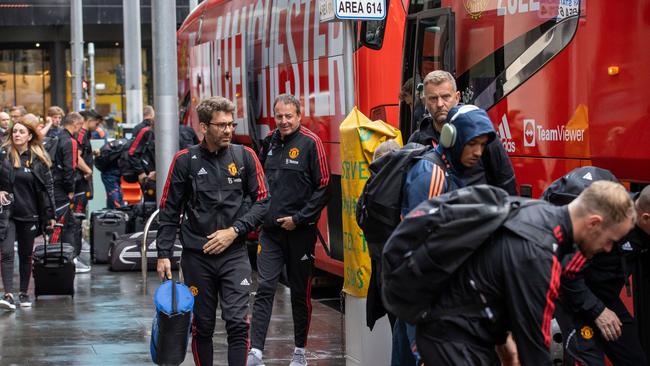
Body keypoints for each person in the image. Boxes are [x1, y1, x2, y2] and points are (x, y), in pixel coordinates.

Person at [413, 180, 635, 365]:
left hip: (449, 336)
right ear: (595, 223)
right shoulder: (541, 252)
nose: (608, 249)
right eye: (610, 241)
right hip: (456, 344)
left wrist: (503, 340)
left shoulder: (538, 215)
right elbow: (534, 346)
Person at [156, 96, 270, 366]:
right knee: (203, 326)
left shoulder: (245, 156)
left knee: (238, 324)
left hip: (234, 254)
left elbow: (263, 202)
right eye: (221, 125)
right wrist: (163, 253)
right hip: (197, 257)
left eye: (231, 124)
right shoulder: (185, 161)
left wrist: (234, 231)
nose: (229, 130)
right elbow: (169, 209)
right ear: (204, 127)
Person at [392, 104, 497, 365]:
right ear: (451, 136)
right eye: (472, 143)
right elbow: (422, 242)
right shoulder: (433, 174)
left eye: (483, 144)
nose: (478, 152)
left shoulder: (450, 170)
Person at [247, 94, 330, 366]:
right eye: (279, 116)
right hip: (270, 232)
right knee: (265, 287)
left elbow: (324, 187)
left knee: (299, 292)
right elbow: (257, 182)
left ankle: (300, 351)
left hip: (300, 232)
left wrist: (299, 218)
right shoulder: (269, 143)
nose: (283, 121)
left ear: (299, 116)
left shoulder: (311, 143)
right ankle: (256, 351)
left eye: (288, 116)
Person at [542, 168, 649, 366]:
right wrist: (598, 311)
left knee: (635, 359)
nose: (608, 246)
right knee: (589, 360)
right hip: (572, 298)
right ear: (645, 218)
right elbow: (568, 273)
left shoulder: (641, 225)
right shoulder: (607, 219)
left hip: (604, 295)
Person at [408, 70, 517, 195]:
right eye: (433, 98)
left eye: (445, 97)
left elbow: (506, 184)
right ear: (425, 102)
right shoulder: (417, 139)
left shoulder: (481, 136)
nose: (439, 104)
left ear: (457, 97)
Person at [0, 117, 56, 310]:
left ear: (29, 136)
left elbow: (48, 188)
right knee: (6, 252)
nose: (17, 134)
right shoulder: (4, 155)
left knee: (26, 255)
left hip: (30, 214)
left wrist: (51, 215)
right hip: (7, 214)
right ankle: (8, 294)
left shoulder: (38, 159)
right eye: (14, 131)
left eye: (21, 131)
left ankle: (23, 293)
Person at [50, 112, 85, 272]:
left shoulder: (56, 137)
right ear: (76, 124)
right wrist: (70, 189)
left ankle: (69, 258)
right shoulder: (70, 141)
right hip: (62, 189)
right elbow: (70, 167)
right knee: (61, 224)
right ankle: (54, 259)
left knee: (69, 223)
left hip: (54, 185)